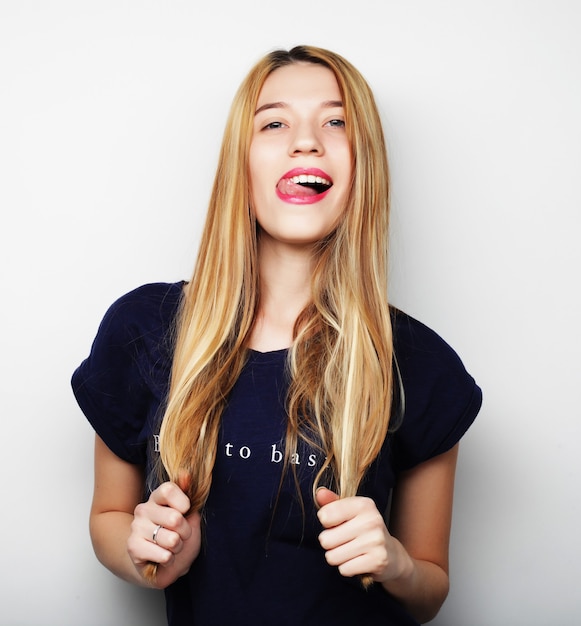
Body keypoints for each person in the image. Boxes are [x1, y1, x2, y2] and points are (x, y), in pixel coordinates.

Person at [72, 45, 482, 625]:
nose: (306, 141)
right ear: (241, 162)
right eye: (274, 122)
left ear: (364, 164)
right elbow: (108, 517)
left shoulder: (420, 363)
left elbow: (429, 591)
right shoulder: (142, 329)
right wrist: (154, 554)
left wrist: (396, 563)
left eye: (336, 122)